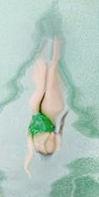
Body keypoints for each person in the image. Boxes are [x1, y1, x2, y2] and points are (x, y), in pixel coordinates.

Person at [22, 37, 67, 173]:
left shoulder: (33, 144)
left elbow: (28, 157)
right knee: (52, 70)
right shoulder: (50, 147)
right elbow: (54, 134)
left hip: (37, 110)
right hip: (49, 112)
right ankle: (58, 40)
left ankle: (45, 40)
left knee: (42, 71)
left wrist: (27, 168)